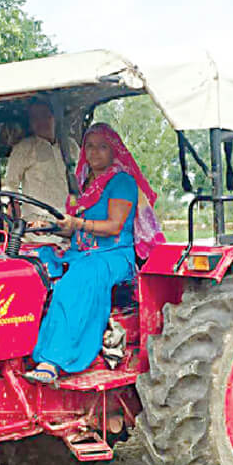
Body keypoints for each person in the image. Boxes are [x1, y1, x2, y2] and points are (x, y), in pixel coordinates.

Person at [24, 122, 164, 383]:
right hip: (80, 252)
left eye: (102, 147)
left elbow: (113, 226)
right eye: (90, 146)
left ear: (114, 151)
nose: (95, 152)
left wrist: (76, 224)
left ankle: (53, 360)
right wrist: (51, 227)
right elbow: (74, 229)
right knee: (33, 261)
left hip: (112, 256)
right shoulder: (82, 183)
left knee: (79, 280)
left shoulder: (121, 181)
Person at [2, 98, 80, 247]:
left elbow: (80, 183)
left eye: (45, 116)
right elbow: (10, 188)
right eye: (35, 118)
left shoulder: (71, 146)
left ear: (55, 117)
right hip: (37, 229)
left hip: (69, 222)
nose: (41, 121)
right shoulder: (23, 148)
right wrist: (13, 225)